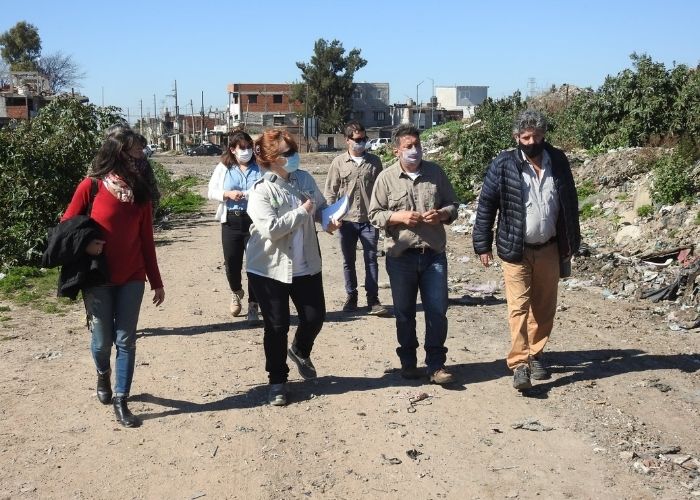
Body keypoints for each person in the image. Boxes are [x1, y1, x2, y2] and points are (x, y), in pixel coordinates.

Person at [61, 128, 165, 427]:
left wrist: (156, 280)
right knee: (102, 341)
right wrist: (87, 243)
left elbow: (147, 240)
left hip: (133, 276)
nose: (141, 156)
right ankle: (102, 374)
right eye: (135, 151)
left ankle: (122, 399)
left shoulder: (140, 192)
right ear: (119, 153)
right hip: (98, 277)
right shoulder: (90, 187)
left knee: (126, 339)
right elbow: (67, 224)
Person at [472, 109, 580, 391]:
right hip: (515, 248)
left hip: (550, 248)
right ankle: (519, 364)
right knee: (518, 307)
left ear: (544, 135)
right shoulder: (504, 164)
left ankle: (537, 353)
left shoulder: (557, 160)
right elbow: (487, 205)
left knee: (544, 307)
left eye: (537, 136)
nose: (532, 141)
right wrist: (482, 244)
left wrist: (572, 242)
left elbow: (570, 201)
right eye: (526, 137)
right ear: (516, 137)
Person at [246, 129, 339, 406]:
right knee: (276, 326)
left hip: (306, 263)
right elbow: (272, 230)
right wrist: (302, 211)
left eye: (294, 150)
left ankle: (299, 349)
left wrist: (328, 219)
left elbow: (320, 207)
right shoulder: (261, 191)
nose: (294, 157)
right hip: (270, 268)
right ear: (271, 159)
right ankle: (277, 382)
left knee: (314, 316)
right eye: (287, 154)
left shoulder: (305, 179)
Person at [369, 124, 459, 385]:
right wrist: (398, 217)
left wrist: (442, 214)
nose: (414, 150)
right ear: (397, 150)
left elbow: (453, 205)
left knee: (437, 311)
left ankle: (436, 365)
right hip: (401, 256)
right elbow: (375, 215)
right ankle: (408, 363)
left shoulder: (435, 173)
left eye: (417, 145)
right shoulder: (385, 178)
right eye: (408, 146)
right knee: (404, 313)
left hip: (433, 254)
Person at [324, 121, 388, 316]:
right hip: (347, 221)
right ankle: (351, 296)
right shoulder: (338, 163)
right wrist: (331, 217)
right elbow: (330, 192)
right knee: (348, 261)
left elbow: (382, 190)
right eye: (357, 140)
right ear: (347, 140)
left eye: (364, 139)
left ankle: (373, 299)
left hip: (369, 220)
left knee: (371, 260)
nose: (361, 143)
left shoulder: (375, 162)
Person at [207, 130, 262, 325]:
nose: (246, 151)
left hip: (255, 221)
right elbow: (211, 191)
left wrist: (251, 194)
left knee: (255, 264)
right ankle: (236, 291)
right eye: (242, 148)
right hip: (231, 220)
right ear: (233, 149)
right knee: (232, 263)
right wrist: (227, 194)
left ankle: (253, 304)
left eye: (249, 147)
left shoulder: (260, 167)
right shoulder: (224, 167)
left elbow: (268, 189)